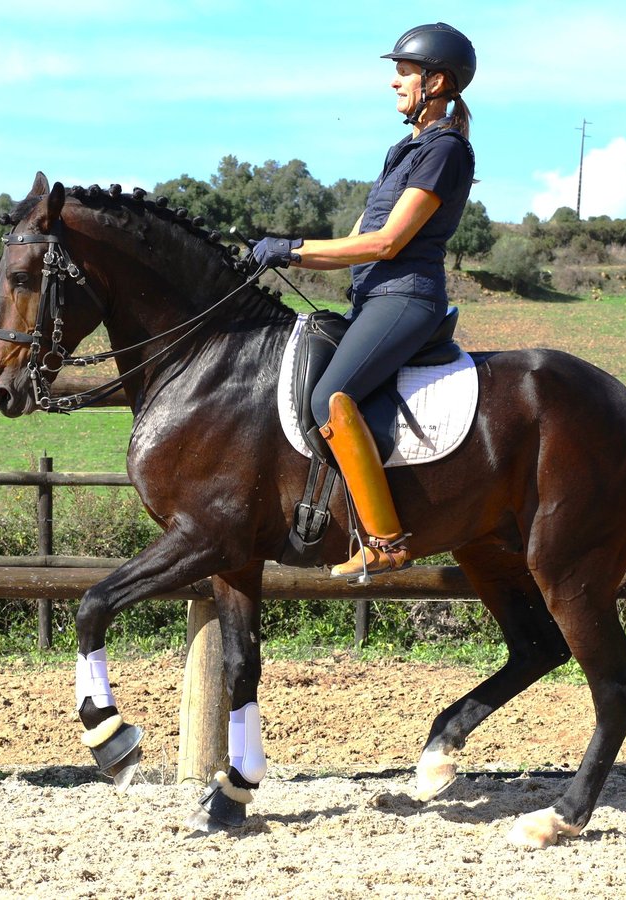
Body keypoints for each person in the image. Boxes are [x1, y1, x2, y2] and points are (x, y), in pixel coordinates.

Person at [247, 22, 477, 579]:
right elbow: (356, 244)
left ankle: (385, 539)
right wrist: (282, 250)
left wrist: (293, 250)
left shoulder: (445, 150)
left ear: (437, 81)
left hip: (406, 298)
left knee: (331, 397)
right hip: (373, 297)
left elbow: (387, 242)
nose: (394, 84)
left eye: (403, 73)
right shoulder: (405, 149)